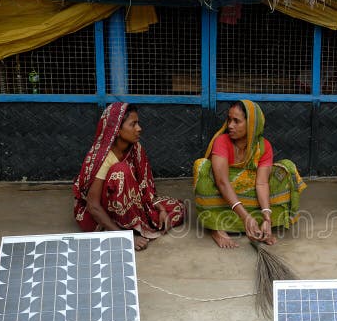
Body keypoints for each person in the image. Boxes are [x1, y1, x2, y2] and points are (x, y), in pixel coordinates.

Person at [193, 100, 306, 248]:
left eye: (236, 121)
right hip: (224, 190)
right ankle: (217, 227)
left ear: (252, 124)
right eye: (229, 120)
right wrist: (245, 216)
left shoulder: (264, 146)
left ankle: (262, 225)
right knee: (201, 167)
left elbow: (261, 183)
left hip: (248, 192)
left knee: (285, 170)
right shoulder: (222, 141)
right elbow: (222, 182)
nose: (230, 125)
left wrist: (267, 215)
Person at [72, 102, 185, 251]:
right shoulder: (103, 157)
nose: (139, 129)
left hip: (131, 203)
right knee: (121, 171)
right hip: (102, 212)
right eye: (133, 124)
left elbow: (144, 188)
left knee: (178, 207)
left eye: (138, 123)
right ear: (116, 130)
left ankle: (133, 223)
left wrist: (162, 210)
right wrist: (126, 238)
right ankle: (120, 230)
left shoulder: (136, 149)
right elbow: (93, 206)